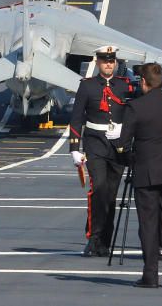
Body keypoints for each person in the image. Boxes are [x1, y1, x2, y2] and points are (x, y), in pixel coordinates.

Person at [114, 63, 162, 288]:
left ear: (143, 82)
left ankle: (150, 275)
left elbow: (123, 143)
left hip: (146, 172)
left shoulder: (136, 107)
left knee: (148, 224)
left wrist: (128, 158)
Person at [68, 45, 130, 257]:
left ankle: (105, 240)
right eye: (105, 60)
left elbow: (135, 113)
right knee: (99, 188)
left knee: (110, 195)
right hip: (95, 145)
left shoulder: (124, 86)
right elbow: (76, 117)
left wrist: (125, 131)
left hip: (118, 147)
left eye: (112, 61)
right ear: (97, 62)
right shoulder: (87, 86)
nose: (109, 64)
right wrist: (74, 147)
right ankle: (93, 238)